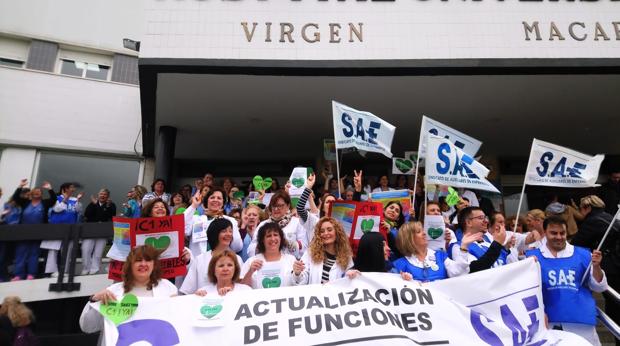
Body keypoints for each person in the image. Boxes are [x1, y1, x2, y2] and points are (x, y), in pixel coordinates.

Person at [526, 216, 608, 345]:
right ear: (545, 232)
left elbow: (599, 287)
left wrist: (597, 267)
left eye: (562, 233)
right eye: (554, 233)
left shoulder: (584, 254)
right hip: (548, 323)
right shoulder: (531, 257)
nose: (559, 237)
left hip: (581, 323)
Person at [80, 245, 178, 345]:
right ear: (130, 265)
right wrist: (94, 300)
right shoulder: (113, 291)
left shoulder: (168, 288)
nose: (143, 264)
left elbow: (179, 321)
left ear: (154, 264)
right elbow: (87, 326)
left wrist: (181, 304)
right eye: (138, 260)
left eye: (148, 260)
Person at [571, 194, 620, 337]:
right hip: (616, 264)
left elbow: (576, 244)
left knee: (614, 308)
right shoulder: (610, 218)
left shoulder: (592, 221)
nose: (580, 212)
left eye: (580, 208)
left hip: (610, 268)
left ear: (588, 207)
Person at [392, 222, 481, 282]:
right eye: (419, 232)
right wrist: (406, 283)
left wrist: (464, 247)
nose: (424, 233)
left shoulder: (440, 256)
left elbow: (459, 273)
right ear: (409, 239)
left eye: (423, 230)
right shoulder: (399, 265)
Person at [180, 218, 243, 294]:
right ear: (214, 234)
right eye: (224, 231)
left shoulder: (237, 259)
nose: (228, 234)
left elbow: (241, 286)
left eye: (230, 231)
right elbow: (187, 290)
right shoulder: (200, 260)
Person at [9, 180, 56, 281]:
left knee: (34, 254)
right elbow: (16, 198)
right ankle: (18, 275)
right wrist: (20, 186)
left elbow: (53, 200)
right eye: (35, 191)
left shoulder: (45, 203)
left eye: (39, 191)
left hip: (37, 233)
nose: (37, 192)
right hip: (23, 233)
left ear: (41, 194)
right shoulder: (25, 202)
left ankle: (31, 274)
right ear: (31, 193)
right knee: (20, 254)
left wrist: (50, 189)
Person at [292, 217, 353, 285]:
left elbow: (348, 282)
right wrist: (298, 273)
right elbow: (302, 280)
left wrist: (351, 275)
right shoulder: (310, 253)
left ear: (337, 232)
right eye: (322, 231)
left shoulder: (347, 257)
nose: (326, 233)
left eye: (329, 230)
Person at [247, 191, 307, 258]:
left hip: (291, 265)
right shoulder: (263, 224)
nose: (276, 209)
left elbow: (304, 249)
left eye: (280, 206)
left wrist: (287, 243)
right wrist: (263, 243)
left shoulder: (297, 223)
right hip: (268, 264)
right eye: (274, 206)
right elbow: (251, 250)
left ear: (288, 206)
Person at [184, 188, 242, 256]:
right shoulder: (196, 220)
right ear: (207, 201)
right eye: (212, 197)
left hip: (221, 262)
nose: (215, 200)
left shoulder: (230, 221)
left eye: (219, 198)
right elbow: (181, 225)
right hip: (199, 262)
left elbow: (237, 247)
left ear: (223, 202)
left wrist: (230, 233)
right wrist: (194, 205)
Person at [42, 183, 83, 277]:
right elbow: (57, 209)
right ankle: (52, 271)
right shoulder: (57, 198)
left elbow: (78, 210)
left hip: (71, 229)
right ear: (65, 189)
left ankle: (64, 271)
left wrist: (78, 200)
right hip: (56, 228)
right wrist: (65, 199)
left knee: (67, 250)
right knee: (54, 249)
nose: (73, 189)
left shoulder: (74, 199)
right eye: (71, 187)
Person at [451, 207, 509, 273]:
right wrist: (497, 244)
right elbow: (474, 269)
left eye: (485, 217)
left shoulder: (488, 243)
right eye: (481, 218)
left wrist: (505, 247)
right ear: (468, 222)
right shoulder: (458, 247)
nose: (486, 221)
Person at [241, 222, 297, 289]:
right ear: (262, 240)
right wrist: (250, 271)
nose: (273, 239)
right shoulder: (251, 261)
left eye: (275, 235)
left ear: (281, 238)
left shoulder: (291, 260)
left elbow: (299, 285)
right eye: (268, 236)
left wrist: (297, 274)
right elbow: (241, 289)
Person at [82, 188, 116, 275]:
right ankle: (86, 269)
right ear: (98, 195)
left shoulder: (111, 205)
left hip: (102, 232)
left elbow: (109, 216)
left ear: (108, 196)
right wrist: (95, 204)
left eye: (105, 194)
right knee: (86, 250)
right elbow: (87, 215)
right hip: (90, 231)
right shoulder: (92, 204)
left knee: (98, 253)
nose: (102, 195)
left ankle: (94, 270)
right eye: (101, 194)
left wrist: (105, 206)